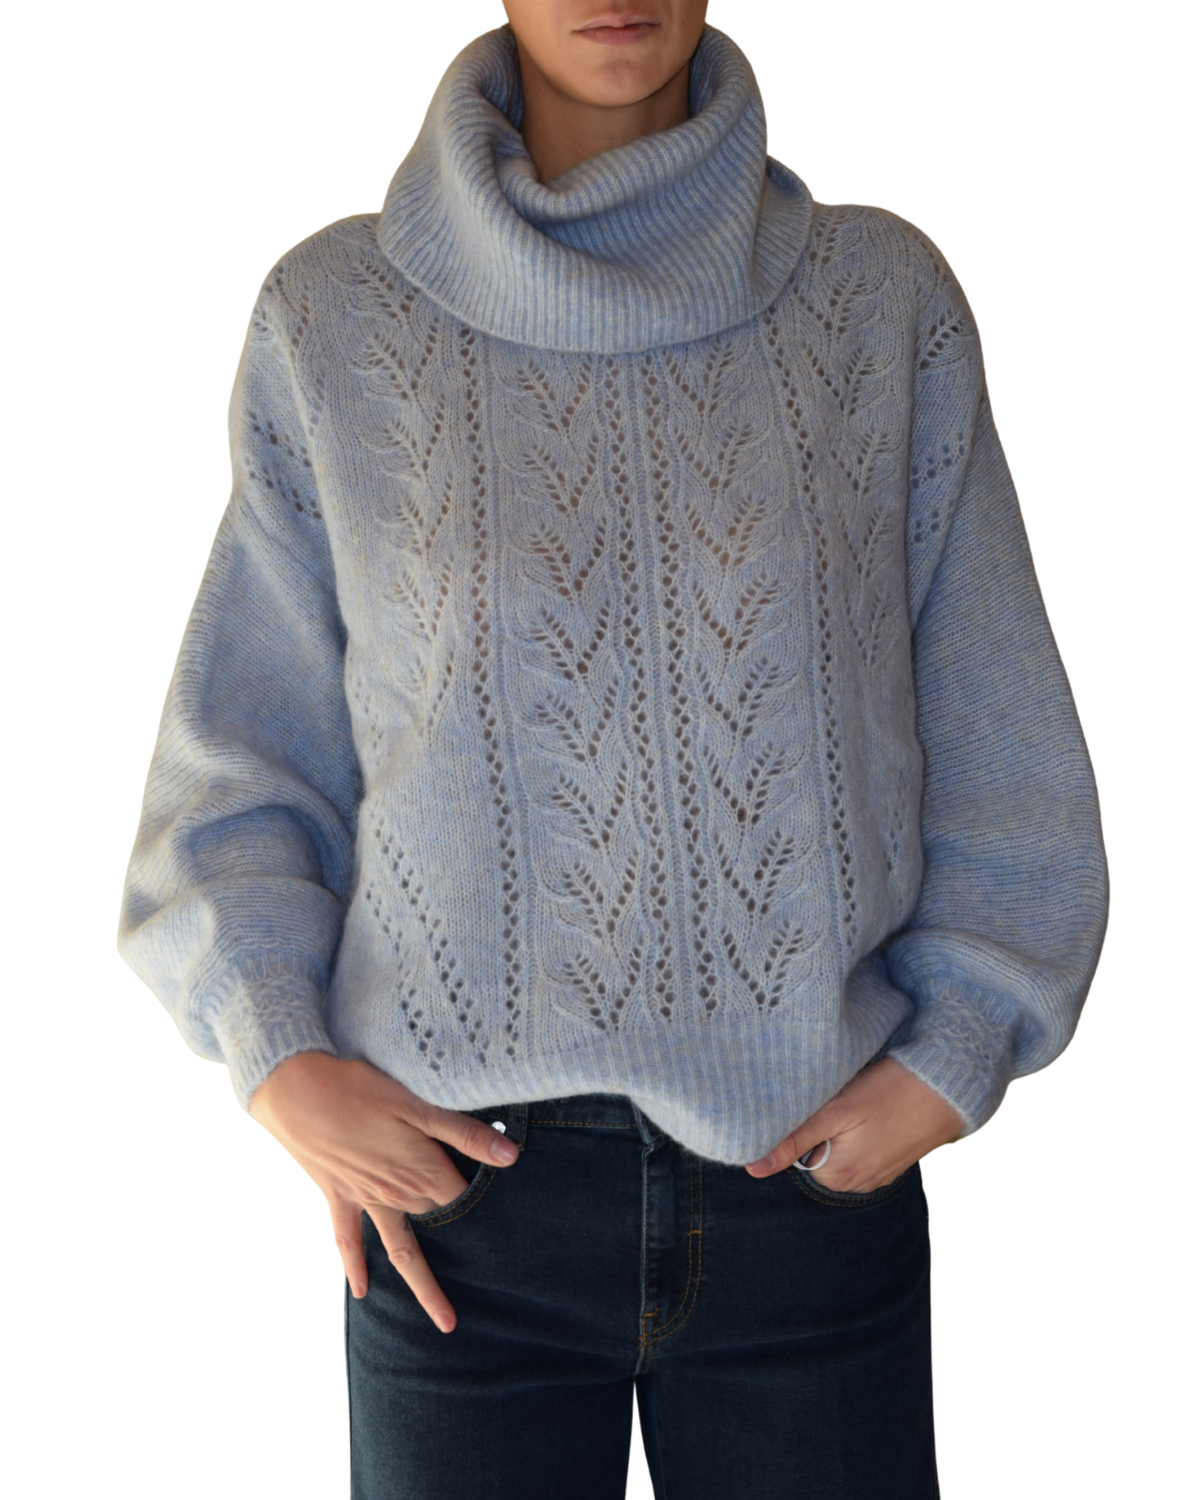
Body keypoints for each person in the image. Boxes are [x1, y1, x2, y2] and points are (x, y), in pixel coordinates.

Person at [118, 3, 1108, 1496]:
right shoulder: (334, 319)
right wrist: (279, 1057)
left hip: (805, 1195)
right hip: (459, 1214)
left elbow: (998, 724)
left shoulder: (876, 302)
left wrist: (963, 1041)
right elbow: (243, 760)